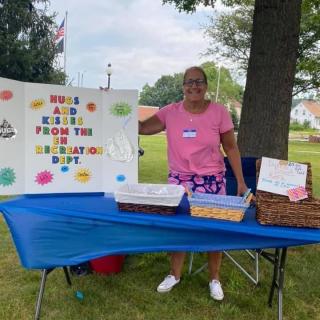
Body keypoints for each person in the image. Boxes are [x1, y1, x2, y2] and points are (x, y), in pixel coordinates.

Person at [139, 66, 248, 301]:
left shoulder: (219, 112)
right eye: (189, 82)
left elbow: (231, 147)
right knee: (179, 228)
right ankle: (174, 274)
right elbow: (142, 128)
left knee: (214, 231)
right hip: (179, 181)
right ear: (183, 87)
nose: (194, 86)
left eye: (199, 81)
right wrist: (116, 109)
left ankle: (214, 279)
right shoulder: (170, 112)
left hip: (212, 181)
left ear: (206, 86)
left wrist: (240, 181)